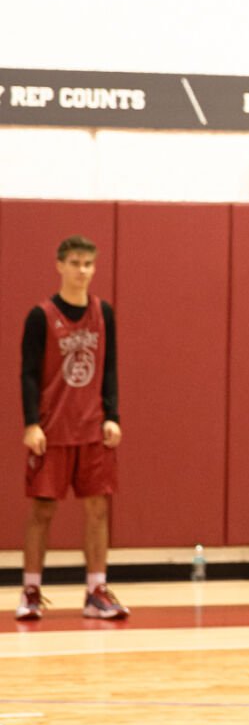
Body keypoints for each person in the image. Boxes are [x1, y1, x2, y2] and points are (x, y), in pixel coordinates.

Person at [16, 235, 125, 621]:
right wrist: (32, 423)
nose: (82, 270)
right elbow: (29, 374)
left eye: (88, 264)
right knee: (42, 510)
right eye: (75, 263)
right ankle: (31, 590)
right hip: (53, 428)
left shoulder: (103, 312)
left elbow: (109, 367)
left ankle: (96, 591)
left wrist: (112, 416)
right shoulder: (41, 315)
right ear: (59, 265)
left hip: (92, 426)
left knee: (97, 509)